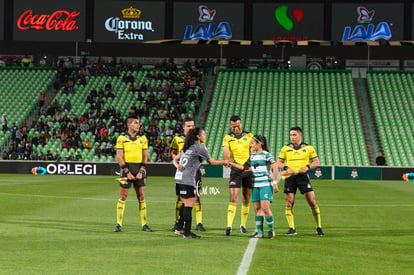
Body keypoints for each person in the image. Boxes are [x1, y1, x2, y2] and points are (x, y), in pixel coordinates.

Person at [173, 127, 226, 238]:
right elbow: (211, 162)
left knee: (185, 202)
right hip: (187, 179)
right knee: (189, 204)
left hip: (179, 177)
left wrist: (177, 165)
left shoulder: (187, 146)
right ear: (198, 136)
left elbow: (176, 159)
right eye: (203, 134)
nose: (205, 136)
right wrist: (224, 161)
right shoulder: (200, 147)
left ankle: (178, 228)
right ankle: (187, 232)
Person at [277, 126, 324, 237]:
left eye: (294, 135)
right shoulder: (285, 148)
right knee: (289, 203)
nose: (292, 137)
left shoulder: (309, 148)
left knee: (312, 202)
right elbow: (279, 162)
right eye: (291, 135)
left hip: (303, 177)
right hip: (289, 177)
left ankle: (319, 227)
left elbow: (316, 162)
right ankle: (292, 228)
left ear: (300, 135)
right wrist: (286, 168)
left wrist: (307, 167)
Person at [229, 135, 279, 239]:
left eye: (252, 143)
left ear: (259, 144)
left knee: (265, 208)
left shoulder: (266, 155)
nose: (251, 145)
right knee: (257, 209)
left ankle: (271, 230)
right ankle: (259, 232)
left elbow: (275, 167)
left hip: (266, 184)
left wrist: (274, 182)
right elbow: (245, 168)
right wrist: (231, 163)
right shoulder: (251, 156)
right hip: (255, 185)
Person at [113, 116, 152, 233]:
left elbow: (145, 156)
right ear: (129, 125)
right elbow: (119, 157)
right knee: (123, 196)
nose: (138, 125)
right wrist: (127, 172)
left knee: (141, 195)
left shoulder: (143, 138)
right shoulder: (121, 138)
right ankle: (118, 224)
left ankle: (144, 224)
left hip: (139, 168)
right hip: (126, 169)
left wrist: (141, 171)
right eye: (135, 123)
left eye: (138, 123)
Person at [170, 117, 205, 232]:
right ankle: (178, 223)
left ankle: (199, 223)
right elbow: (173, 152)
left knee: (197, 197)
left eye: (192, 126)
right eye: (188, 126)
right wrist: (177, 164)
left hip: (195, 172)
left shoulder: (198, 139)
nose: (191, 128)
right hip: (182, 172)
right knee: (180, 198)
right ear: (184, 127)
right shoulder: (177, 139)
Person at [222, 115, 254, 236]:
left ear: (241, 123)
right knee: (233, 198)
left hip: (248, 170)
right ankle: (229, 226)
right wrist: (226, 161)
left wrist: (247, 164)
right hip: (235, 170)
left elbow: (253, 151)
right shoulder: (228, 138)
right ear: (230, 125)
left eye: (237, 126)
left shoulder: (249, 136)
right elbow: (225, 151)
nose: (235, 128)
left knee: (246, 199)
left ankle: (243, 225)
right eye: (233, 126)